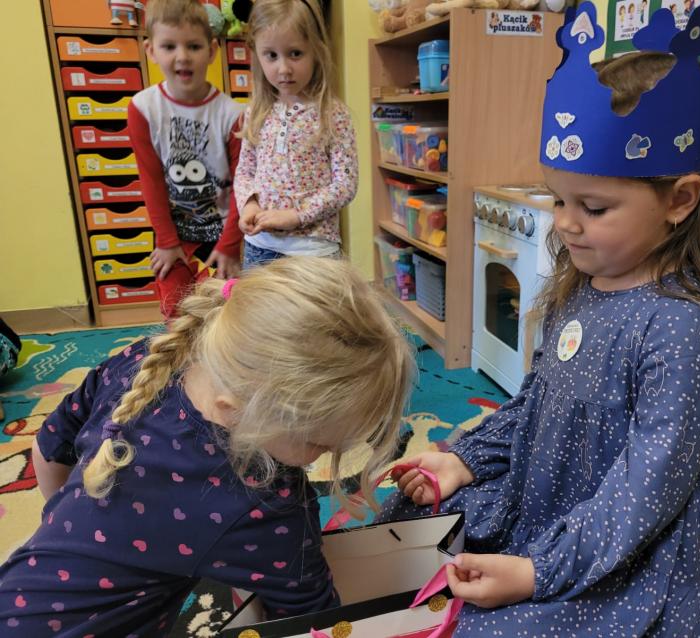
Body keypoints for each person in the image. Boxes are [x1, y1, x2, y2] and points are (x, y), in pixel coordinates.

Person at [382, 4, 700, 636]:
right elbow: (535, 404)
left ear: (680, 199)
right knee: (411, 522)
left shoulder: (682, 329)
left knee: (476, 627)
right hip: (550, 507)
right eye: (558, 199)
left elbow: (644, 493)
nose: (564, 223)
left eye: (593, 207)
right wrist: (466, 461)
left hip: (633, 558)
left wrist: (538, 571)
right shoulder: (584, 285)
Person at [0, 257, 414, 635]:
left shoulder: (147, 360)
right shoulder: (265, 503)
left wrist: (65, 524)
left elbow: (49, 446)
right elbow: (311, 623)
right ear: (236, 410)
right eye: (319, 444)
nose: (323, 456)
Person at [128, 0, 244, 320]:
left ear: (212, 50)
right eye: (169, 46)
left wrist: (230, 245)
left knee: (224, 315)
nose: (182, 56)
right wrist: (166, 242)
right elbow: (151, 179)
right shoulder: (142, 109)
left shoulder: (232, 115)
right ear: (151, 50)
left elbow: (242, 186)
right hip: (174, 236)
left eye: (193, 46)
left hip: (221, 237)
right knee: (175, 312)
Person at [234, 0, 358, 266]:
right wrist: (249, 204)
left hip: (313, 250)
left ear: (316, 51)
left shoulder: (333, 114)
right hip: (260, 247)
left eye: (295, 53)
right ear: (257, 55)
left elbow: (344, 185)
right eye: (271, 55)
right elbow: (245, 171)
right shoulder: (256, 111)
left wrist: (297, 215)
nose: (284, 69)